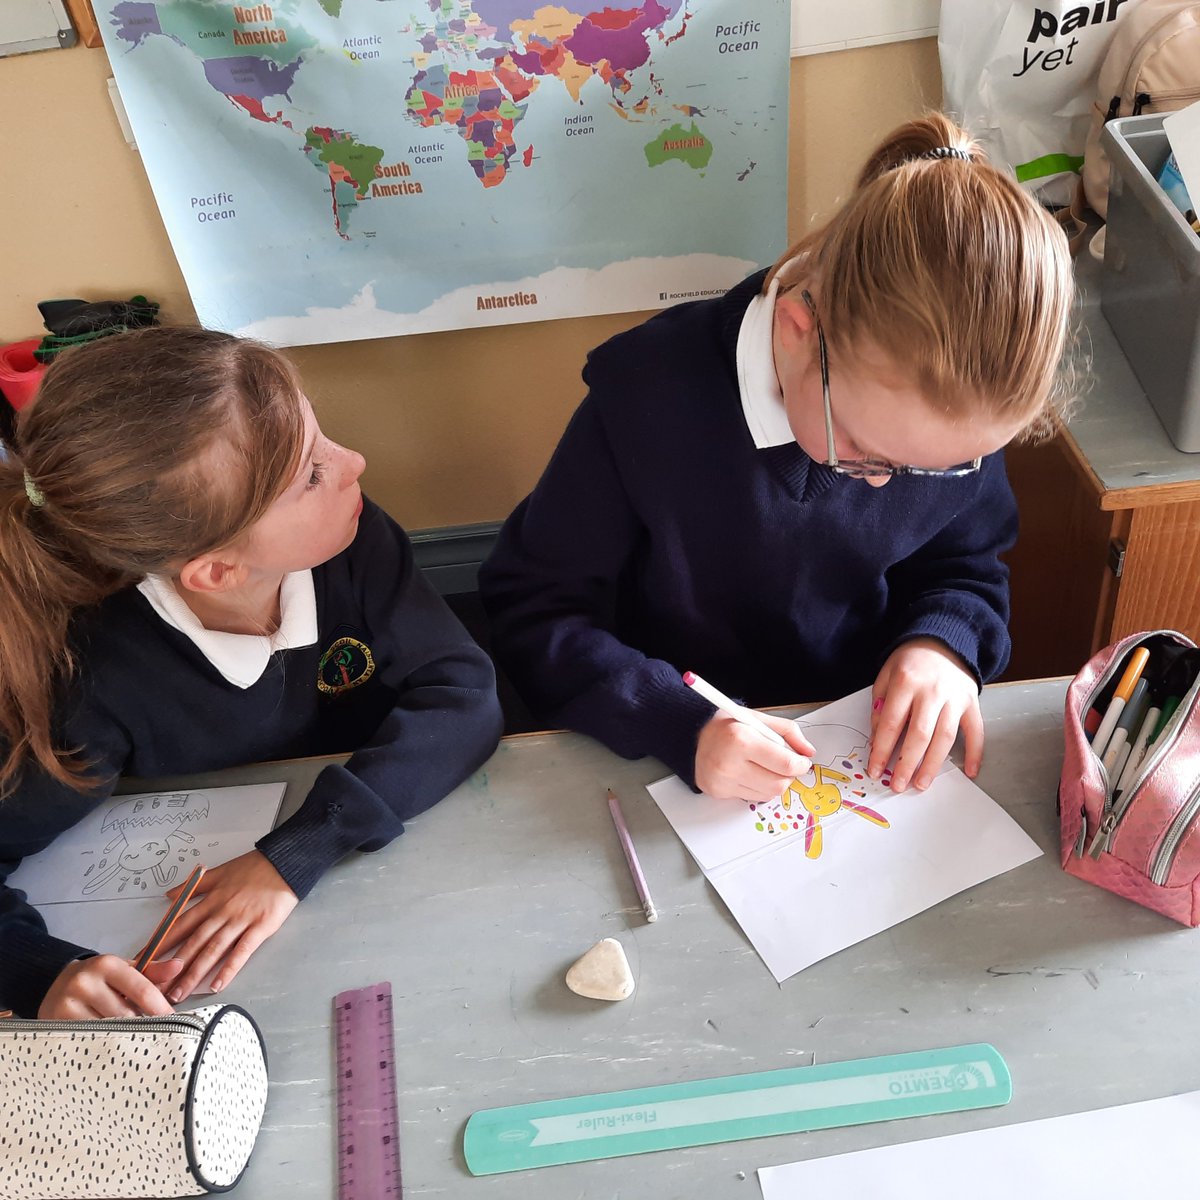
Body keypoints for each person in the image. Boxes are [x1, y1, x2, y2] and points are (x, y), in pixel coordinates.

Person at [479, 113, 1075, 809]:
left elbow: (965, 568)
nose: (887, 484)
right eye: (863, 451)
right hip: (671, 751)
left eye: (940, 468)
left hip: (852, 744)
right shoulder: (644, 398)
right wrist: (676, 721)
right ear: (797, 331)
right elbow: (533, 610)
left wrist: (943, 645)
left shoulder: (952, 419)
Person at [0, 327, 503, 1019]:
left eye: (323, 440)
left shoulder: (354, 539)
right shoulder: (84, 677)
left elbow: (464, 695)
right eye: (312, 476)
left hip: (375, 879)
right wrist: (40, 972)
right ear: (217, 572)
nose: (356, 461)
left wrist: (298, 850)